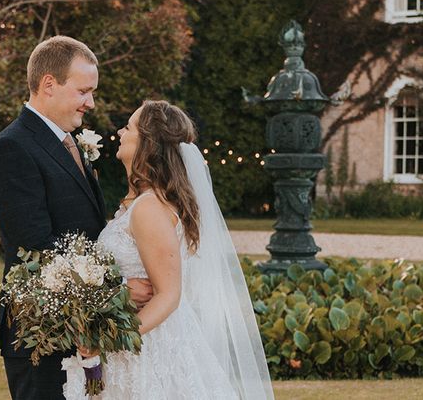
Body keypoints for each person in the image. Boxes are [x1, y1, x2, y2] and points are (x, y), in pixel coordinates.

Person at [62, 100, 274, 399]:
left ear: (148, 144)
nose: (121, 132)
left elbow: (168, 295)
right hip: (138, 340)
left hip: (148, 348)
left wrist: (108, 339)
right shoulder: (142, 203)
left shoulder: (149, 207)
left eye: (129, 127)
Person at [0, 36, 152, 400]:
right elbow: (38, 249)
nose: (90, 102)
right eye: (83, 91)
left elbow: (87, 232)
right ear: (49, 84)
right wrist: (117, 291)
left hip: (82, 327)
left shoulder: (71, 142)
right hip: (40, 334)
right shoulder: (13, 147)